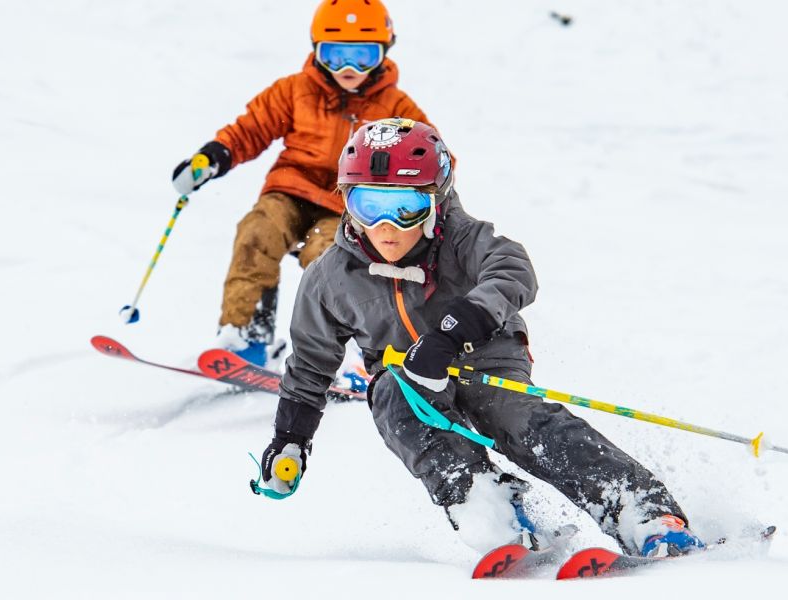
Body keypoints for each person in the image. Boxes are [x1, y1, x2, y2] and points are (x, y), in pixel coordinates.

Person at [256, 118, 705, 558]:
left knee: (515, 419)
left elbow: (513, 269)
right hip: (408, 376)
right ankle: (488, 509)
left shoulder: (461, 239)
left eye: (405, 207)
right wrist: (289, 439)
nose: (386, 226)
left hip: (486, 353)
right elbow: (311, 364)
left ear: (436, 200)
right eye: (369, 207)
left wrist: (455, 329)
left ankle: (642, 512)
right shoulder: (330, 277)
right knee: (393, 399)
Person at [171, 0, 434, 370]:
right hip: (291, 190)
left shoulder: (395, 107)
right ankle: (246, 336)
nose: (348, 68)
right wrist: (214, 156)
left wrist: (418, 189)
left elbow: (432, 154)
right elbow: (252, 127)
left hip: (347, 206)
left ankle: (349, 352)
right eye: (335, 55)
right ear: (316, 50)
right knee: (257, 233)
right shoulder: (295, 90)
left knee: (330, 258)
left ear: (383, 53)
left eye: (362, 56)